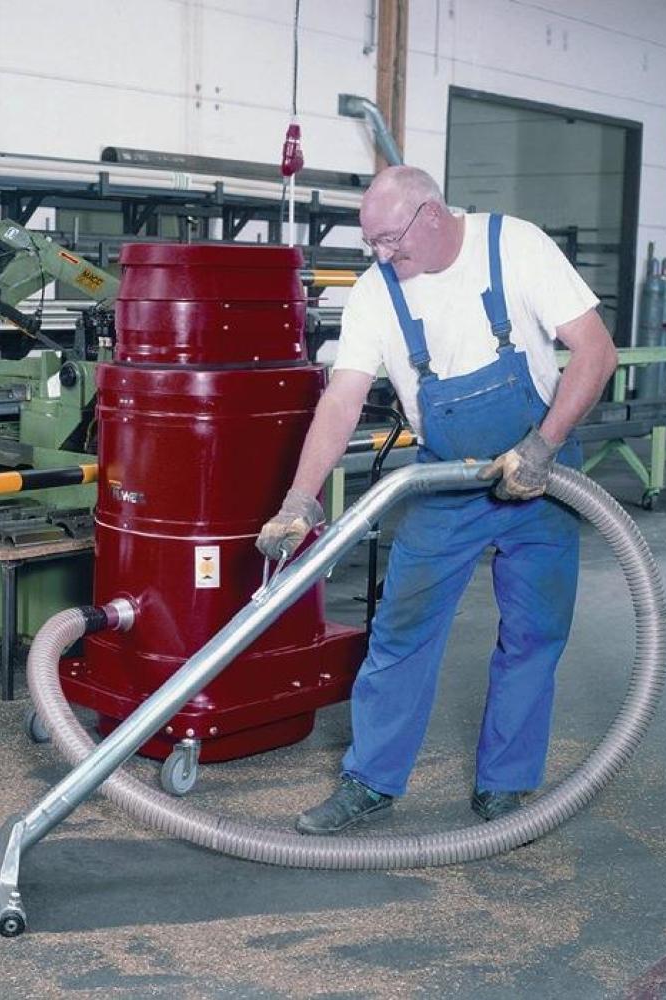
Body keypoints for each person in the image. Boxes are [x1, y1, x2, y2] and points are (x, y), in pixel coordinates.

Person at [256, 165, 618, 835]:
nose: (381, 254)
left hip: (541, 470)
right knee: (402, 629)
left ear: (431, 213)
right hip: (445, 479)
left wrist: (543, 446)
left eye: (390, 239)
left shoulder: (515, 246)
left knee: (534, 633)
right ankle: (370, 781)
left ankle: (505, 786)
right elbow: (342, 397)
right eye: (371, 242)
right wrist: (300, 497)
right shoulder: (376, 292)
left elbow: (595, 351)